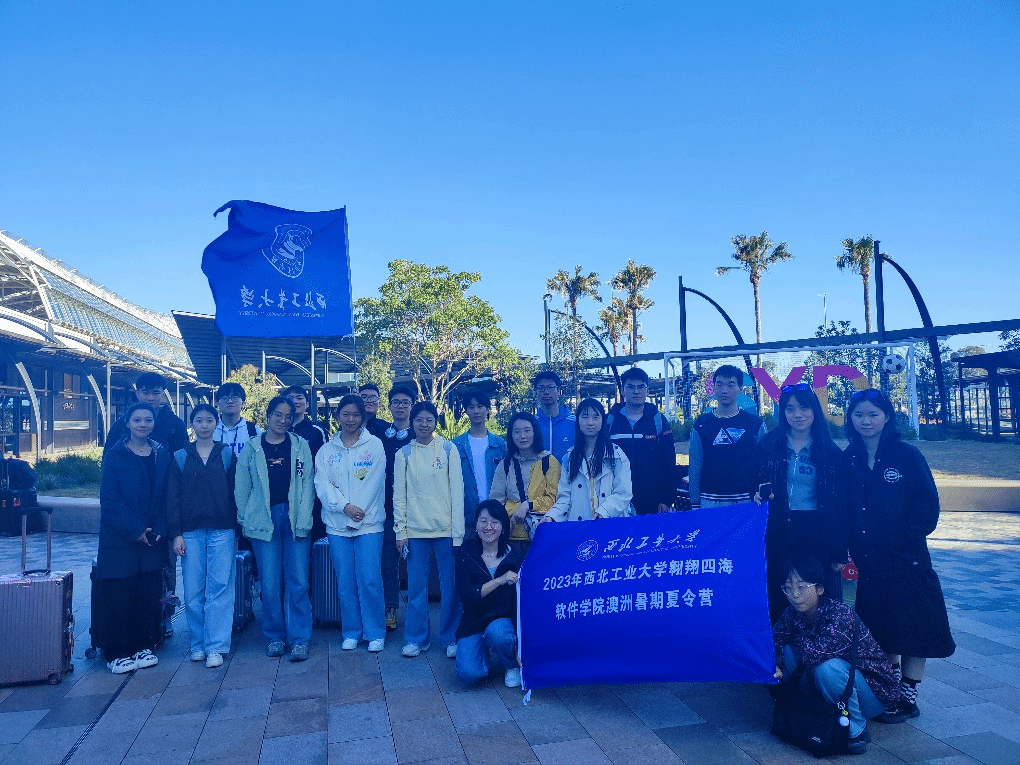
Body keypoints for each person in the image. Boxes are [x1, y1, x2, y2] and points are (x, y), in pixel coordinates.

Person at [843, 388, 955, 722]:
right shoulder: (848, 457)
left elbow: (927, 506)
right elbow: (843, 506)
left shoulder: (907, 455)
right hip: (868, 561)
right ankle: (889, 691)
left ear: (887, 417)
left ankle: (908, 696)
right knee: (883, 627)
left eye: (873, 414)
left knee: (914, 628)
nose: (865, 421)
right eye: (859, 414)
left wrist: (901, 538)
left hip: (907, 560)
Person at [772, 556, 904, 755]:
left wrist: (792, 640)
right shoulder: (792, 612)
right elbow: (775, 640)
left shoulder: (839, 615)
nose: (794, 595)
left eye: (801, 587)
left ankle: (856, 730)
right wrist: (777, 662)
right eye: (788, 588)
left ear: (819, 589)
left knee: (828, 668)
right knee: (787, 653)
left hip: (873, 694)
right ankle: (810, 710)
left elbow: (814, 654)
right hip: (840, 684)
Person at [753, 384, 848, 622]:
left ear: (814, 410)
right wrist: (755, 494)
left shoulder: (830, 452)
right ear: (783, 413)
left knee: (815, 591)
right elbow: (753, 482)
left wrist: (839, 549)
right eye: (790, 409)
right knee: (779, 588)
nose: (798, 415)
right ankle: (780, 642)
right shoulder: (768, 445)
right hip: (777, 528)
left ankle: (819, 641)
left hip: (815, 530)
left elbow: (840, 504)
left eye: (804, 408)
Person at [235, 396, 316, 661]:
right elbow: (242, 487)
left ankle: (300, 638)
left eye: (287, 416)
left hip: (295, 518)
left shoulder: (300, 445)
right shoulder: (252, 447)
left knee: (299, 581)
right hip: (263, 519)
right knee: (270, 583)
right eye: (277, 415)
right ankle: (275, 636)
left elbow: (307, 485)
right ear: (268, 415)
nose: (282, 420)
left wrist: (304, 518)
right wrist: (245, 519)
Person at [96, 403, 170, 673]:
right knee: (120, 593)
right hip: (120, 539)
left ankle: (143, 645)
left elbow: (167, 495)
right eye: (137, 419)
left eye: (148, 419)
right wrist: (136, 530)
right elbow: (110, 500)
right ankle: (116, 652)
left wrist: (159, 527)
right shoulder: (115, 455)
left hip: (153, 538)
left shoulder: (162, 454)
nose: (142, 424)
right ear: (126, 423)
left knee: (147, 593)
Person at [167, 404, 237, 669]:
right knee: (193, 590)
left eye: (209, 420)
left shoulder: (226, 454)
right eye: (199, 420)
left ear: (216, 424)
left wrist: (237, 527)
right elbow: (172, 498)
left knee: (220, 587)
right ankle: (198, 643)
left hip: (222, 529)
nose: (204, 425)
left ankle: (216, 646)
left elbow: (236, 492)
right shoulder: (180, 456)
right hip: (191, 532)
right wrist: (176, 533)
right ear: (192, 424)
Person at [315, 395, 388, 652]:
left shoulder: (375, 446)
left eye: (356, 414)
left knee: (369, 580)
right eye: (345, 414)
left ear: (363, 417)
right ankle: (351, 631)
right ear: (337, 417)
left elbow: (374, 483)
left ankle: (375, 632)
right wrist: (344, 508)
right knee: (345, 582)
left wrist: (356, 514)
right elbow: (322, 485)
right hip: (337, 526)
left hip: (369, 524)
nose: (351, 419)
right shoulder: (326, 451)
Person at [393, 401, 464, 659]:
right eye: (419, 420)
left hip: (446, 531)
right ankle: (416, 638)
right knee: (416, 588)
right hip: (415, 532)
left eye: (429, 419)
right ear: (412, 422)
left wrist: (458, 533)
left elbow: (457, 493)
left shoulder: (448, 449)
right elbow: (399, 496)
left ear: (436, 421)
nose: (424, 424)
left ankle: (451, 637)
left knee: (450, 587)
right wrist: (400, 532)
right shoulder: (403, 454)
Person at [455, 500, 522, 688]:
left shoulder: (514, 555)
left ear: (503, 526)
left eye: (495, 522)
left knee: (498, 633)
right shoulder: (466, 553)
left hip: (502, 621)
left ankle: (510, 665)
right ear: (476, 524)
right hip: (474, 620)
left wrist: (520, 643)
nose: (489, 527)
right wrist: (499, 580)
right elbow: (467, 595)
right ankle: (482, 653)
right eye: (483, 521)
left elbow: (520, 602)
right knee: (468, 675)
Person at [688, 365, 765, 508]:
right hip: (709, 502)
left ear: (740, 388)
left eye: (730, 385)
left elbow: (763, 464)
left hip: (747, 501)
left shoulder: (755, 424)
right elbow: (695, 466)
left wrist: (762, 495)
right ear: (714, 387)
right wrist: (695, 502)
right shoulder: (701, 424)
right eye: (719, 384)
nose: (724, 390)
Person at [545, 398, 632, 522]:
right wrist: (551, 516)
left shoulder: (616, 454)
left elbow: (623, 493)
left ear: (603, 420)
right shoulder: (570, 457)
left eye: (596, 417)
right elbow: (565, 497)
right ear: (578, 421)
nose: (590, 422)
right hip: (580, 526)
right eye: (585, 417)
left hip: (610, 523)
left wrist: (604, 511)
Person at [606, 367, 675, 515]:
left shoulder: (659, 421)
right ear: (622, 391)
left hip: (652, 500)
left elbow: (669, 462)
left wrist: (666, 499)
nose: (636, 391)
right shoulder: (610, 421)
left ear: (647, 391)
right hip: (615, 499)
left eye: (640, 387)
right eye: (631, 387)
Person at [489, 412, 560, 552]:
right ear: (511, 435)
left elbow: (554, 499)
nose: (522, 436)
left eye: (527, 430)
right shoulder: (505, 465)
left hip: (542, 535)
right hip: (512, 537)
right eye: (517, 432)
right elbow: (496, 502)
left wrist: (527, 505)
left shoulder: (549, 462)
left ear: (535, 432)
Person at [380, 385, 416, 631]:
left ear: (412, 406)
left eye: (405, 402)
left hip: (416, 510)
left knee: (416, 564)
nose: (400, 406)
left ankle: (416, 612)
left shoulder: (419, 435)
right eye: (396, 402)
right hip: (387, 510)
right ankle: (390, 607)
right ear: (390, 406)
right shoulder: (381, 436)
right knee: (388, 563)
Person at [452, 390, 506, 540]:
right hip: (467, 515)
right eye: (471, 407)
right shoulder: (456, 445)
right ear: (466, 411)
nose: (476, 411)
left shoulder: (499, 444)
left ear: (487, 409)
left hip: (495, 512)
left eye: (480, 406)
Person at [103, 372, 188, 455]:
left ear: (163, 394)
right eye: (145, 393)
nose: (150, 398)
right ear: (137, 394)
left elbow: (184, 458)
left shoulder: (176, 425)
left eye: (156, 393)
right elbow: (108, 457)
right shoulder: (121, 425)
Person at [282, 384, 327, 542]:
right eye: (290, 398)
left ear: (307, 404)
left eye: (299, 397)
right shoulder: (278, 430)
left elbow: (324, 465)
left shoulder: (317, 431)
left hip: (310, 497)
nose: (295, 401)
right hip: (283, 497)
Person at [532, 371, 575, 462]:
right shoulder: (531, 423)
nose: (546, 392)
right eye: (541, 388)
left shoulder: (574, 422)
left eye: (551, 387)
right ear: (535, 392)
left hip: (568, 471)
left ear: (559, 391)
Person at [214, 382, 262, 458]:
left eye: (235, 397)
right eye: (225, 398)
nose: (230, 401)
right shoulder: (209, 429)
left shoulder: (253, 431)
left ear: (243, 403)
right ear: (217, 403)